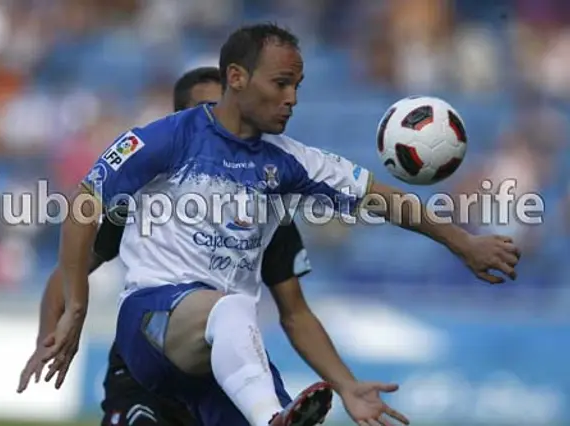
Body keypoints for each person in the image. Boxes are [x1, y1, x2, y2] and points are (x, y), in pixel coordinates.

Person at [41, 23, 521, 426]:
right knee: (231, 314)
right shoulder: (168, 139)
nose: (292, 99)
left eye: (298, 85)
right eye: (281, 84)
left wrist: (462, 242)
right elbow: (85, 203)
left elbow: (382, 198)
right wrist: (76, 309)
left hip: (220, 358)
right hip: (152, 322)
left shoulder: (290, 163)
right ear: (237, 77)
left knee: (235, 325)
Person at [18, 66, 314, 426]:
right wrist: (53, 333)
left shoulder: (264, 207)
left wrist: (347, 385)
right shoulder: (145, 194)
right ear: (181, 121)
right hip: (146, 367)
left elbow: (296, 311)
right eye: (208, 112)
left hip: (220, 372)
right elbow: (65, 273)